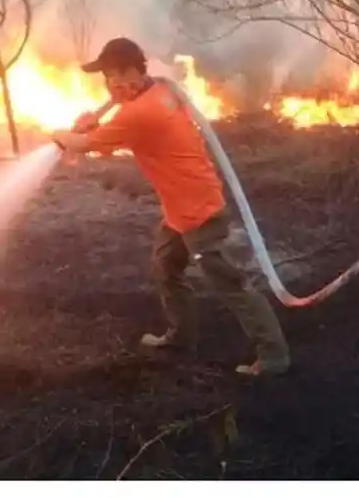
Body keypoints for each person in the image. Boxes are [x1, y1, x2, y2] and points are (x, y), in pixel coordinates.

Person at [51, 37, 291, 377]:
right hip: (181, 208)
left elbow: (87, 145)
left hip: (198, 214)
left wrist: (59, 134)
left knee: (229, 284)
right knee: (166, 267)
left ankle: (273, 356)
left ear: (133, 71)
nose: (110, 85)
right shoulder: (158, 92)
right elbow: (109, 137)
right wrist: (94, 125)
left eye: (114, 76)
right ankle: (180, 338)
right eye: (106, 78)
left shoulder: (140, 112)